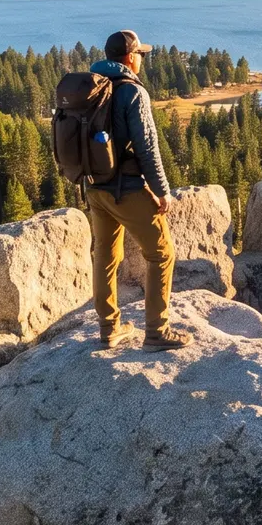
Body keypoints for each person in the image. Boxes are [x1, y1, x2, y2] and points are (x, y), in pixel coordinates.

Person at [85, 30, 188, 350]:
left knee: (105, 255)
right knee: (161, 254)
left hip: (94, 188)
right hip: (126, 188)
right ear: (130, 57)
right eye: (140, 54)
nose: (142, 58)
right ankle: (157, 332)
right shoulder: (132, 91)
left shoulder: (91, 87)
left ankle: (109, 328)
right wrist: (162, 191)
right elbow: (147, 148)